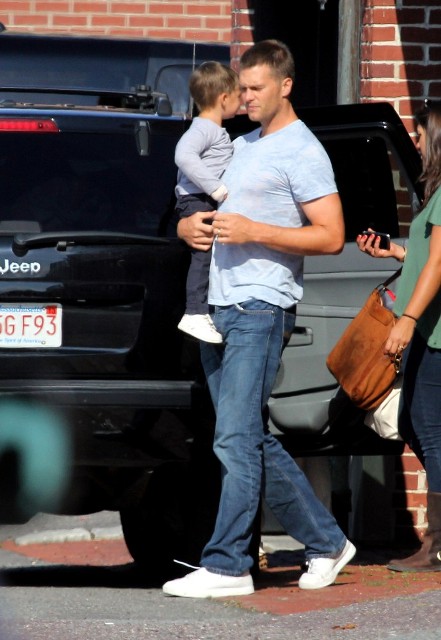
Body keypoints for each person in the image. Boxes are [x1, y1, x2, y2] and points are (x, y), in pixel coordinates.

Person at [162, 39, 356, 599]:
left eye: (255, 88)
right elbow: (195, 197)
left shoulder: (304, 151)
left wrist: (255, 231)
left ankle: (228, 564)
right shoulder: (237, 144)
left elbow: (331, 236)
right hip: (216, 308)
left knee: (234, 438)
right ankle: (327, 542)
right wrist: (185, 228)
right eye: (241, 88)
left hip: (261, 304)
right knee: (247, 438)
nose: (244, 97)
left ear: (285, 86)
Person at [357, 99, 441, 573]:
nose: (417, 143)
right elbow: (427, 254)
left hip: (432, 332)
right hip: (427, 330)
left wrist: (406, 319)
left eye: (421, 135)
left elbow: (439, 263)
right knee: (413, 423)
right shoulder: (438, 193)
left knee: (428, 430)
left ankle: (437, 545)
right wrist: (394, 252)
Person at [175, 61, 241, 343]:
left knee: (207, 256)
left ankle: (202, 310)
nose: (242, 101)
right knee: (202, 257)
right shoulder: (204, 128)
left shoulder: (212, 129)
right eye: (238, 95)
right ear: (224, 98)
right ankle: (194, 313)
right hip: (197, 199)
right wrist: (215, 188)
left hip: (198, 198)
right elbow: (183, 155)